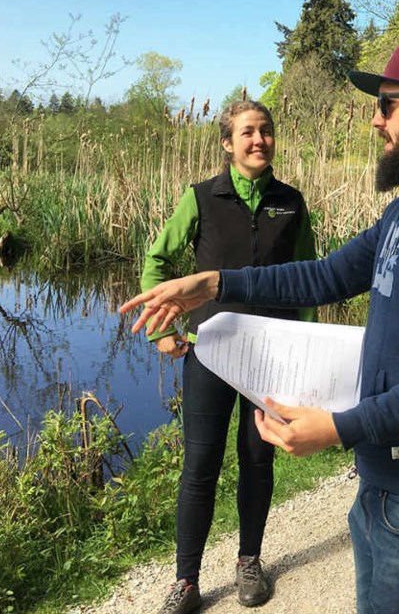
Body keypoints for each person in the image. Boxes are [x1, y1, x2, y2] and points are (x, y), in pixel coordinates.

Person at [121, 41, 399, 614]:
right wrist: (215, 283)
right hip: (385, 479)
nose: (376, 118)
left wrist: (340, 427)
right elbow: (325, 276)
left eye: (387, 104)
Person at [141, 100, 316, 614]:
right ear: (227, 142)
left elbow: (308, 278)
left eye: (266, 131)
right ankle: (187, 582)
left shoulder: (291, 203)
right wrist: (163, 331)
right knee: (200, 464)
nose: (258, 140)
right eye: (247, 132)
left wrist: (302, 349)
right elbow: (157, 261)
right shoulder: (201, 198)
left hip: (272, 358)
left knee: (258, 459)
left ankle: (249, 562)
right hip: (211, 354)